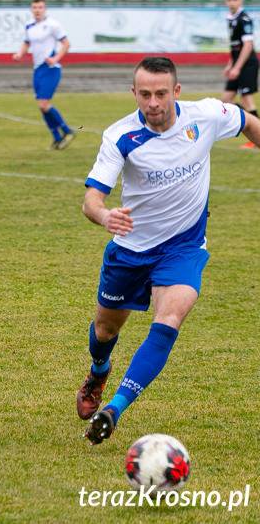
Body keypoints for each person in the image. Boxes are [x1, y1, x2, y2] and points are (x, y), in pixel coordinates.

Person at [76, 57, 260, 444]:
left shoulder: (205, 115)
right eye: (145, 94)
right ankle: (98, 371)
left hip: (183, 246)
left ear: (176, 92)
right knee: (106, 329)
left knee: (170, 318)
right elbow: (92, 199)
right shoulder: (120, 136)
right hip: (130, 250)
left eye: (161, 93)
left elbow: (246, 121)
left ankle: (114, 409)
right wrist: (104, 216)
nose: (153, 102)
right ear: (134, 94)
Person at [12, 0, 76, 150]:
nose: (37, 10)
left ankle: (67, 131)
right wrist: (20, 54)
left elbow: (66, 43)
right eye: (35, 7)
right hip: (38, 69)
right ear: (31, 9)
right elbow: (26, 43)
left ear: (45, 9)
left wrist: (56, 58)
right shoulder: (29, 26)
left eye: (40, 7)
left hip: (51, 68)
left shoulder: (53, 25)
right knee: (42, 106)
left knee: (44, 104)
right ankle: (57, 138)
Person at [221, 0, 259, 149]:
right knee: (225, 100)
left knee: (246, 98)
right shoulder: (230, 19)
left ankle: (255, 137)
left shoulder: (245, 19)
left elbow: (248, 45)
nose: (232, 3)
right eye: (229, 0)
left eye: (235, 0)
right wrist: (230, 64)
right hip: (237, 64)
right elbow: (235, 47)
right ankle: (238, 119)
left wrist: (236, 67)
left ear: (240, 1)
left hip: (247, 64)